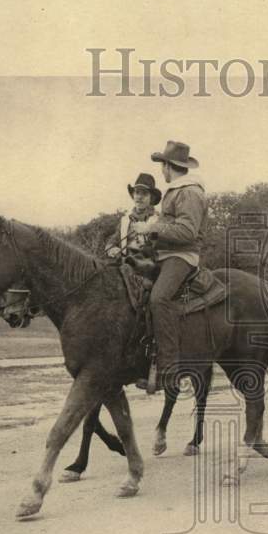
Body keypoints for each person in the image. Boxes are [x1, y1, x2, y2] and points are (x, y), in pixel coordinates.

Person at [131, 140, 208, 393]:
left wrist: (151, 227)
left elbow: (187, 232)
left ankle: (168, 371)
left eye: (162, 165)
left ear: (168, 166)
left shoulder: (189, 192)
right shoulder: (175, 191)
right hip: (165, 255)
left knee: (159, 299)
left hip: (182, 257)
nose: (161, 171)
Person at [106, 172, 162, 265]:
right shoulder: (125, 220)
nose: (139, 197)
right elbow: (112, 241)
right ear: (133, 195)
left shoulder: (158, 220)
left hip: (148, 268)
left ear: (151, 198)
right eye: (137, 192)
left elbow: (159, 248)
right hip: (124, 267)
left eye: (144, 193)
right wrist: (112, 249)